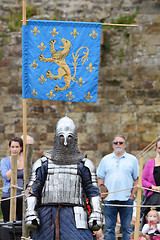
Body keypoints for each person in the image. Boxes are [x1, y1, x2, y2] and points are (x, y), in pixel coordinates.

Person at [24, 116, 102, 240]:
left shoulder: (84, 164)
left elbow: (93, 192)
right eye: (61, 136)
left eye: (69, 136)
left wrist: (96, 212)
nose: (65, 141)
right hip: (47, 215)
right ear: (55, 138)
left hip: (75, 216)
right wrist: (31, 211)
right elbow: (32, 190)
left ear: (75, 139)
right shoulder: (43, 164)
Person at [97, 135, 139, 240]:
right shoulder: (105, 159)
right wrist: (103, 195)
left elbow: (137, 179)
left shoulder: (132, 160)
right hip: (109, 200)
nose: (118, 145)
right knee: (109, 229)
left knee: (127, 229)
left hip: (126, 200)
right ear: (112, 145)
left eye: (121, 142)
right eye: (116, 143)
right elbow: (100, 179)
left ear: (125, 144)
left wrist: (132, 195)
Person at [0, 137, 23, 222]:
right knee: (8, 222)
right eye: (12, 147)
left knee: (21, 223)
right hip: (8, 195)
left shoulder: (25, 161)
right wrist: (15, 162)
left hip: (22, 195)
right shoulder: (4, 161)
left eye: (17, 147)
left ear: (21, 148)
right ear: (9, 148)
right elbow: (6, 176)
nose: (14, 149)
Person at [142, 137, 160, 217]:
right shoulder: (150, 163)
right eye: (159, 148)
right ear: (156, 149)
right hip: (153, 197)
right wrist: (154, 187)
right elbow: (142, 180)